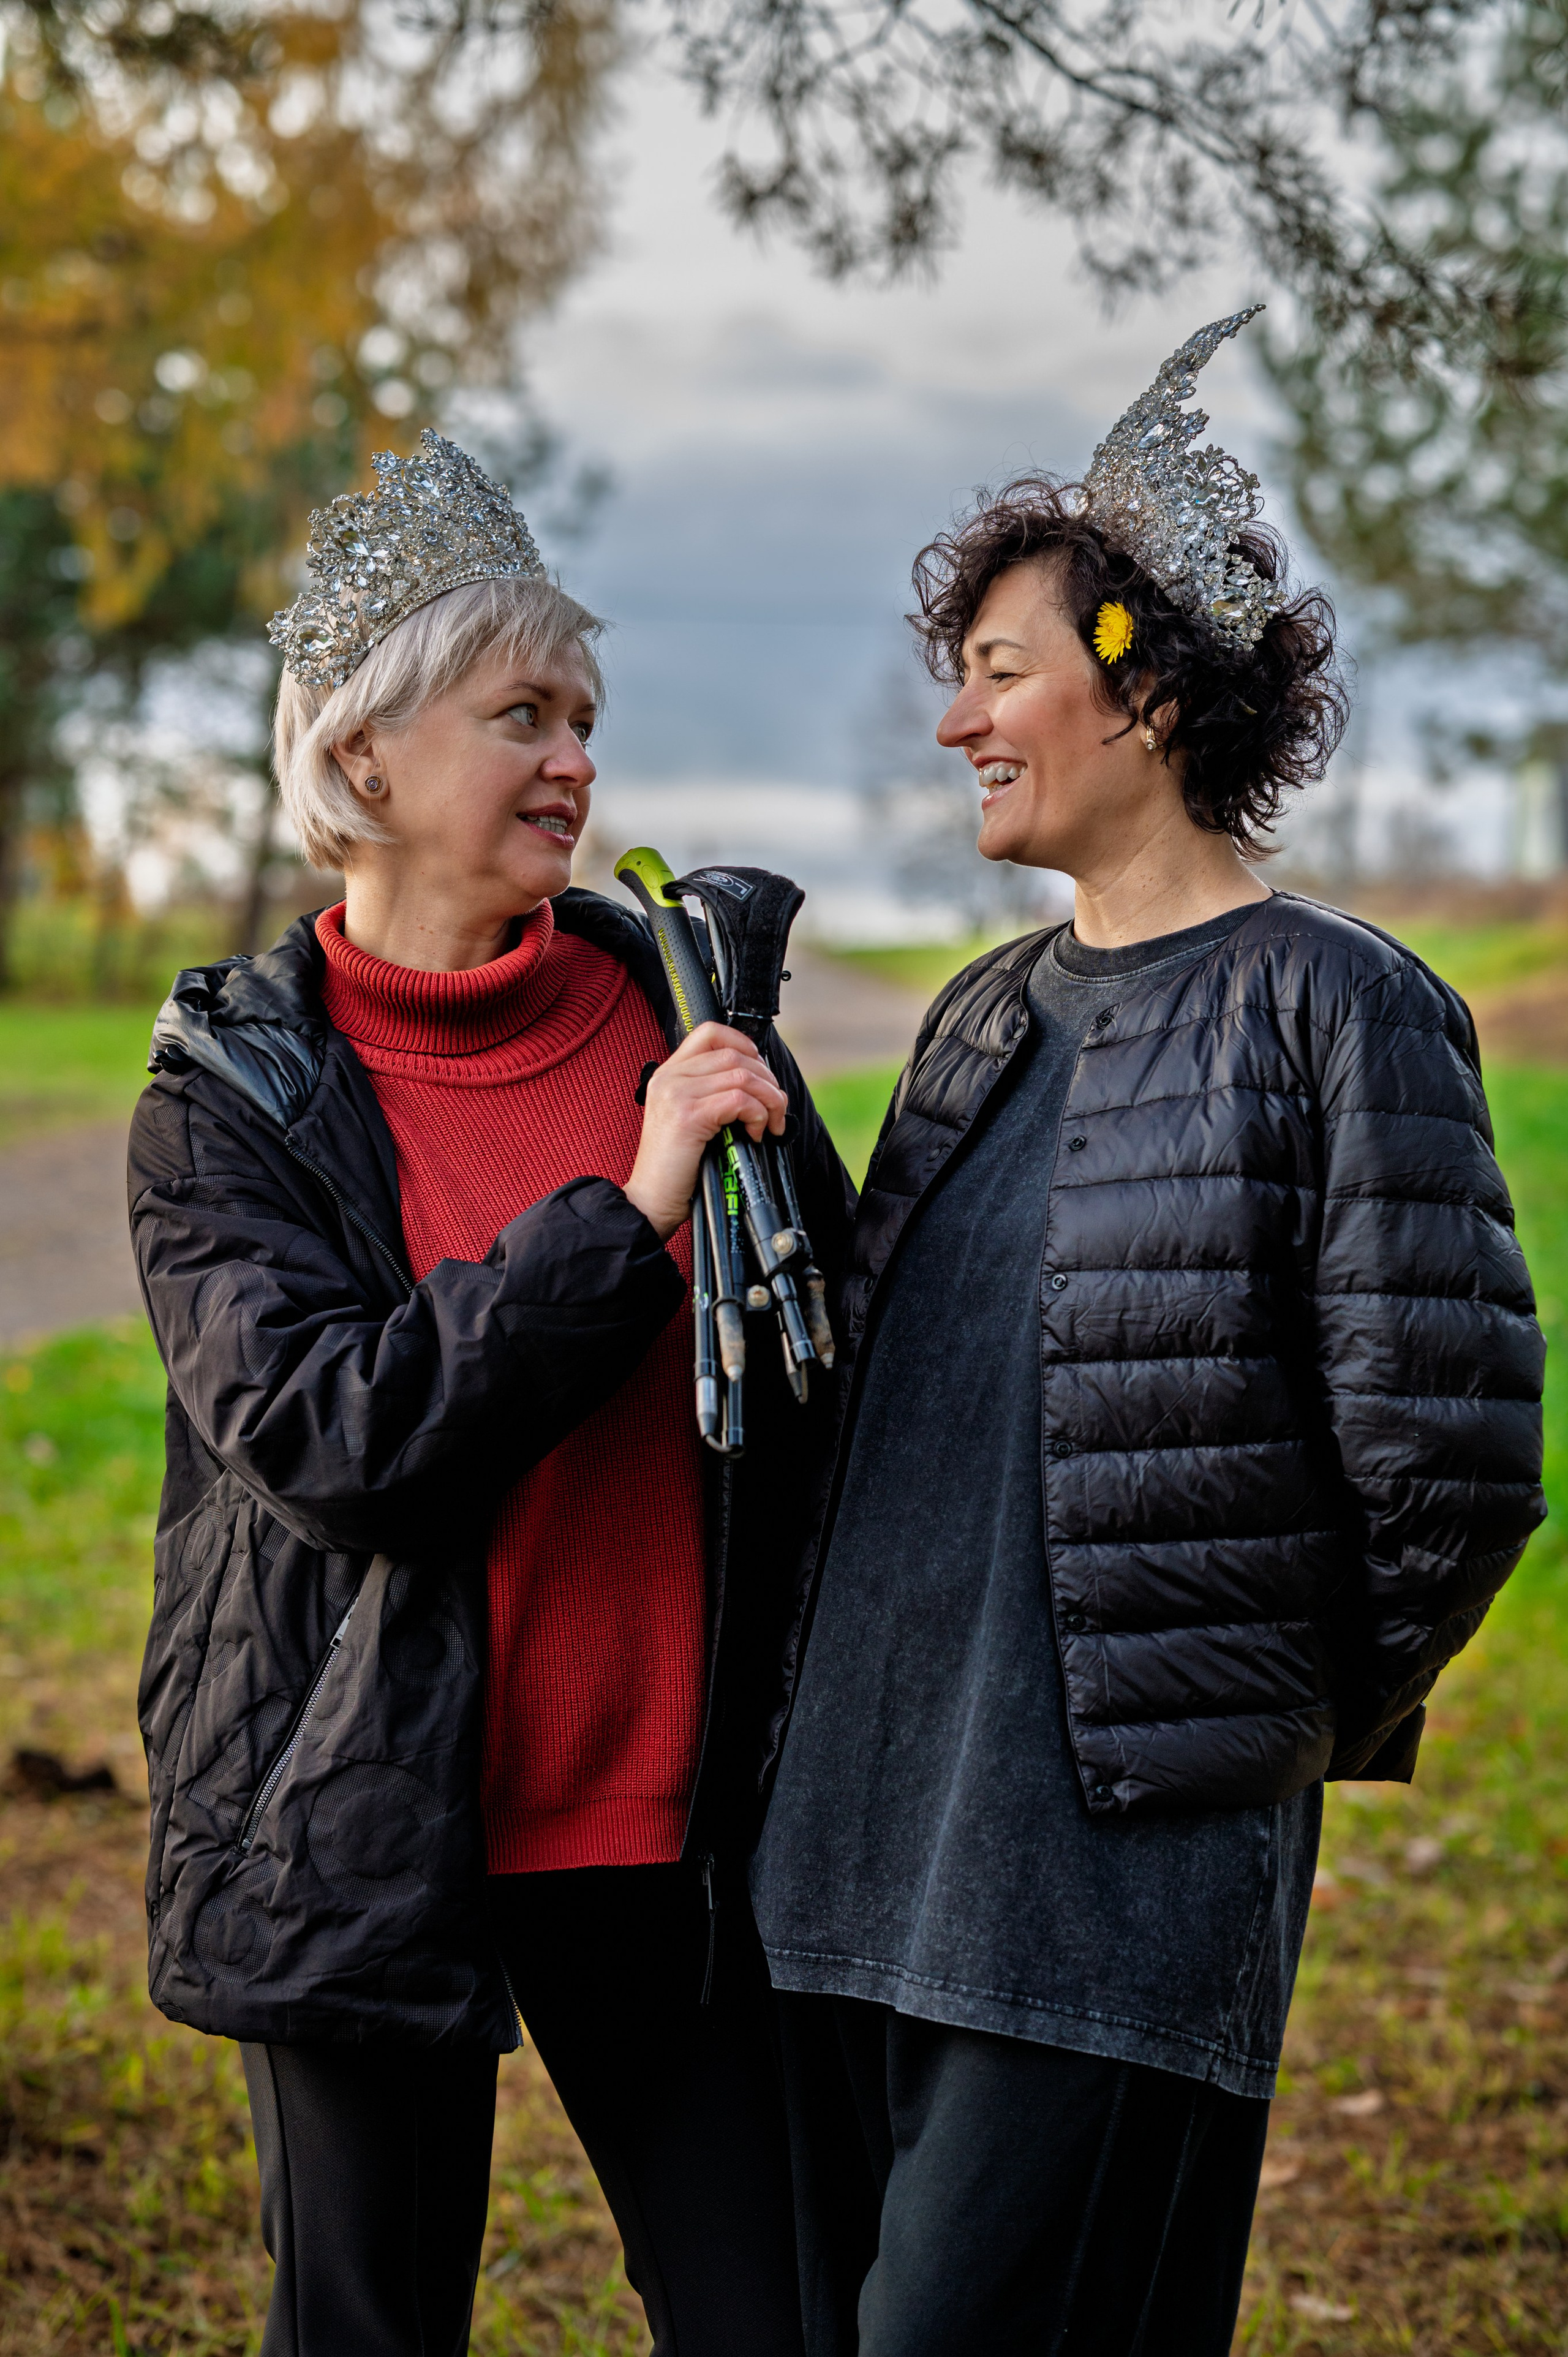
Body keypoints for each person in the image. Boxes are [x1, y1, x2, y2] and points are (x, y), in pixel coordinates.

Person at [750, 312, 1547, 2355]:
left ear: (1149, 688)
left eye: (999, 673)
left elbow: (1446, 1470)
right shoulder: (981, 1016)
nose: (959, 726)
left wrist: (1236, 1746)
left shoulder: (1342, 1009)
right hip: (853, 1863)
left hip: (1104, 1898)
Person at [128, 431, 853, 2357]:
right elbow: (343, 1438)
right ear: (361, 760)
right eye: (521, 713)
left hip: (678, 1830)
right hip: (365, 1816)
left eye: (586, 718)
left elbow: (828, 1381)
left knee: (780, 2315)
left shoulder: (682, 1017)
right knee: (368, 2332)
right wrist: (626, 1210)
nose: (574, 761)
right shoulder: (228, 1102)